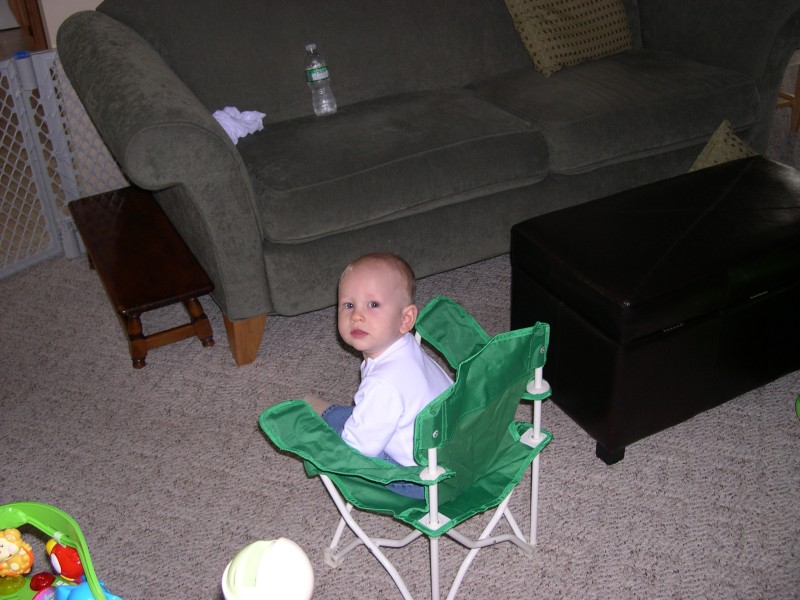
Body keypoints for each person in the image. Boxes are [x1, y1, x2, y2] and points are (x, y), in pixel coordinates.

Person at [305, 253, 453, 499]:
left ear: (405, 319)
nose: (357, 316)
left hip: (422, 481)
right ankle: (328, 412)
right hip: (458, 457)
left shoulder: (383, 383)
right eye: (349, 305)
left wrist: (325, 446)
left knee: (326, 429)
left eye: (373, 304)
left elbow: (357, 451)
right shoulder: (407, 346)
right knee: (364, 414)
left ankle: (319, 412)